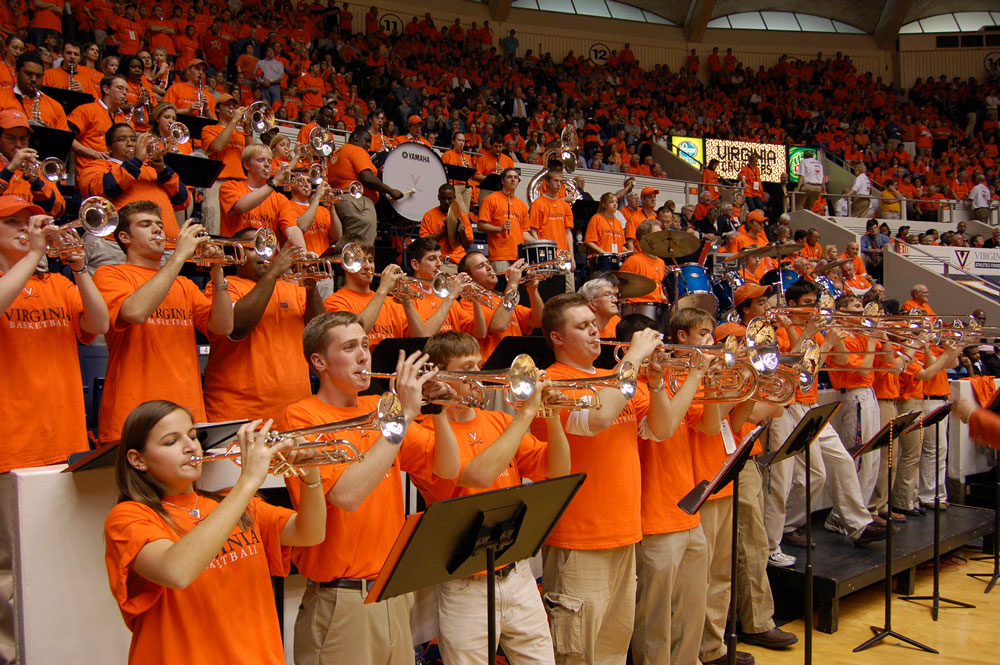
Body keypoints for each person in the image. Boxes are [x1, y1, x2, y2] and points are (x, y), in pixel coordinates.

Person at [281, 312, 454, 665]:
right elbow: (347, 496)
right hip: (341, 601)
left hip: (391, 590)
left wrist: (439, 410)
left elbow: (447, 468)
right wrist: (404, 416)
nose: (364, 355)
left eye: (364, 345)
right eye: (349, 347)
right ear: (319, 362)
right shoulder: (301, 417)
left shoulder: (379, 409)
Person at [103, 401, 326, 665]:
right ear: (137, 460)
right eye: (171, 441)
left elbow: (310, 533)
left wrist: (309, 472)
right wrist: (248, 481)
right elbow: (176, 571)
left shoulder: (230, 504)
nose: (190, 447)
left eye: (193, 436)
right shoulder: (129, 517)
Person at [532, 293, 685, 665]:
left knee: (614, 650)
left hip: (625, 532)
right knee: (578, 653)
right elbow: (597, 421)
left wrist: (658, 380)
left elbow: (662, 429)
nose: (595, 332)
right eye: (582, 326)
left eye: (594, 323)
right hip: (579, 539)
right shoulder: (549, 383)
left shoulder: (613, 379)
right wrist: (632, 359)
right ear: (556, 337)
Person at [407, 331, 568, 664]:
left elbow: (558, 470)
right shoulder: (424, 429)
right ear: (439, 376)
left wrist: (550, 415)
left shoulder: (497, 420)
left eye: (480, 365)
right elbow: (476, 477)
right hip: (466, 585)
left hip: (518, 573)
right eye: (469, 367)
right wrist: (526, 414)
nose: (480, 376)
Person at [92, 202, 234, 443]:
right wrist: (179, 256)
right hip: (133, 409)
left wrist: (217, 270)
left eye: (159, 224)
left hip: (187, 410)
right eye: (145, 225)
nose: (157, 230)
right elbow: (135, 312)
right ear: (125, 237)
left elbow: (223, 328)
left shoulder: (185, 285)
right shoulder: (110, 274)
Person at [764, 280, 885, 561]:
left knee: (842, 460)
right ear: (792, 304)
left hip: (810, 405)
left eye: (816, 303)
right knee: (809, 476)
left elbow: (838, 359)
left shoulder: (815, 330)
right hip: (789, 405)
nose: (815, 308)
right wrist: (814, 336)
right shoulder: (779, 331)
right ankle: (783, 529)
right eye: (809, 303)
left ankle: (857, 525)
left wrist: (835, 336)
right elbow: (793, 368)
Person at [0, 196, 109, 471]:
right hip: (11, 441)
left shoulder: (57, 283)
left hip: (65, 435)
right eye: (12, 222)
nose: (25, 229)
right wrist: (36, 253)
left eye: (28, 223)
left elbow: (100, 324)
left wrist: (80, 269)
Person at [203, 237, 325, 423]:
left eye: (267, 248)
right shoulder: (226, 285)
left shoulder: (293, 290)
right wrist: (274, 273)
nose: (263, 254)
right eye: (253, 248)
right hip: (238, 415)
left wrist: (311, 285)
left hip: (294, 413)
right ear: (237, 255)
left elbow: (320, 334)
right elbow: (236, 328)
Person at [77, 123, 190, 244]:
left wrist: (163, 170)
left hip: (165, 246)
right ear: (109, 147)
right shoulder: (97, 166)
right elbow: (100, 191)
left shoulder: (153, 169)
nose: (130, 143)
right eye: (122, 139)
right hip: (115, 245)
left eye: (133, 139)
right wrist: (136, 161)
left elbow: (182, 200)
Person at [322, 237, 415, 350]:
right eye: (360, 261)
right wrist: (383, 290)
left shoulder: (391, 302)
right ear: (344, 264)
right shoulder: (334, 301)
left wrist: (408, 302)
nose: (368, 266)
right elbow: (353, 334)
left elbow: (417, 338)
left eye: (370, 260)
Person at [458, 251, 543, 360]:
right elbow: (498, 326)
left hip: (517, 364)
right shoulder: (468, 302)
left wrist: (533, 289)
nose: (489, 267)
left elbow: (538, 321)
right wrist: (512, 284)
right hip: (493, 365)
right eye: (481, 266)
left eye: (488, 263)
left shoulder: (501, 298)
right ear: (469, 277)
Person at [326, 126, 403, 245]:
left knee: (346, 247)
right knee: (361, 248)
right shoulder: (355, 150)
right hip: (357, 203)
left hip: (339, 202)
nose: (368, 145)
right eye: (366, 140)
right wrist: (390, 190)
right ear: (356, 137)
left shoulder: (337, 154)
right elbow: (367, 178)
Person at [405, 236, 485, 339]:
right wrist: (452, 296)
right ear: (415, 264)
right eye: (432, 259)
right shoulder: (406, 296)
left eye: (440, 259)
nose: (439, 264)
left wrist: (475, 298)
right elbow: (423, 337)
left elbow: (480, 334)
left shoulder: (445, 294)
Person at [0, 109, 65, 215]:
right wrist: (10, 169)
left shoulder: (39, 169)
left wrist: (36, 182)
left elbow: (57, 211)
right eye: (11, 138)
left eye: (23, 138)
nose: (18, 144)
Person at [201, 94, 249, 234]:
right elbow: (217, 147)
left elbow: (252, 154)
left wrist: (248, 130)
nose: (232, 108)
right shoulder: (209, 129)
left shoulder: (240, 133)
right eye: (227, 105)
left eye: (233, 105)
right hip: (218, 182)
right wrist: (234, 121)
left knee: (240, 227)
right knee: (214, 224)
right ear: (217, 109)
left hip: (240, 183)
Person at [219, 144, 290, 237]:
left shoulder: (280, 198)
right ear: (247, 165)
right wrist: (275, 182)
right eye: (261, 160)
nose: (267, 164)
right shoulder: (229, 187)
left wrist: (303, 251)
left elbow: (292, 229)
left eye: (269, 161)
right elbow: (241, 207)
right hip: (236, 250)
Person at [67, 73, 130, 171]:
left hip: (118, 173)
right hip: (91, 172)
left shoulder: (125, 119)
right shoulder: (87, 110)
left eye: (126, 90)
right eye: (120, 88)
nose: (125, 93)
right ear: (106, 89)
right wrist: (94, 153)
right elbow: (66, 138)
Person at [528, 169, 576, 292]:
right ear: (547, 182)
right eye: (556, 180)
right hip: (547, 257)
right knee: (549, 292)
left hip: (563, 257)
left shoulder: (565, 206)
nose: (559, 184)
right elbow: (534, 231)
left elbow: (568, 232)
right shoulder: (537, 204)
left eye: (561, 181)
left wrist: (572, 256)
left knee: (569, 293)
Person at [478, 167, 531, 273]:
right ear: (502, 180)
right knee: (502, 288)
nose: (513, 180)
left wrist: (539, 242)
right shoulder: (490, 199)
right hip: (499, 256)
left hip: (518, 256)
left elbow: (524, 232)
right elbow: (481, 225)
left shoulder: (522, 205)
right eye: (509, 177)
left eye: (516, 178)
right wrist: (500, 229)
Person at [0, 51, 69, 130]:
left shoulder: (56, 107)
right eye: (28, 74)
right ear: (16, 72)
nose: (34, 79)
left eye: (38, 76)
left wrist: (50, 135)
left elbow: (62, 141)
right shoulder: (1, 98)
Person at [276, 176, 342, 256]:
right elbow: (302, 227)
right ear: (291, 186)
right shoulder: (287, 206)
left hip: (322, 264)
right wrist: (317, 197)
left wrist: (331, 206)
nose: (306, 184)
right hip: (301, 263)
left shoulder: (322, 210)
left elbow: (337, 236)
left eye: (308, 181)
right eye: (301, 181)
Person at [419, 183, 472, 272]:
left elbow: (467, 244)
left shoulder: (462, 216)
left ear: (455, 198)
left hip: (457, 261)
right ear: (438, 197)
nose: (446, 201)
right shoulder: (429, 215)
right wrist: (445, 231)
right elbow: (424, 241)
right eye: (443, 198)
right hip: (438, 261)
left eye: (450, 198)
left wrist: (462, 233)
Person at [621, 219, 667, 304]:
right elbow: (621, 289)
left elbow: (658, 289)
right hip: (638, 308)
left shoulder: (661, 263)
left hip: (656, 307)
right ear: (645, 238)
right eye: (657, 234)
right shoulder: (633, 261)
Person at [583, 192, 626, 256]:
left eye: (616, 202)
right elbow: (589, 241)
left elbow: (621, 246)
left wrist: (630, 251)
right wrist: (604, 253)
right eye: (611, 202)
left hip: (615, 259)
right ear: (604, 204)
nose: (615, 204)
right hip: (601, 259)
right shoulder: (596, 218)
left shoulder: (618, 222)